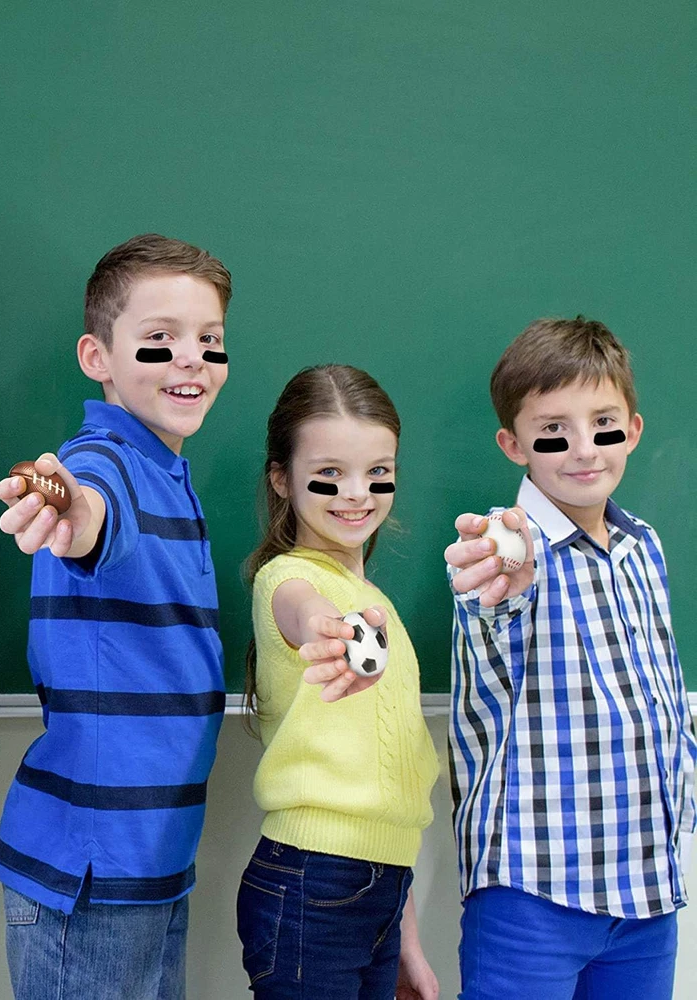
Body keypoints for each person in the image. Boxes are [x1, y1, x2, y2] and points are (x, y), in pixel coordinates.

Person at [0, 234, 231, 1000]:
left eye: (210, 341)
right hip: (93, 875)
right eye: (160, 339)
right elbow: (91, 508)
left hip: (154, 864)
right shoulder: (106, 459)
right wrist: (68, 507)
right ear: (98, 356)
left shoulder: (167, 472)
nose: (191, 358)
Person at [445, 317, 696, 999]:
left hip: (647, 889)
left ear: (632, 430)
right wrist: (503, 577)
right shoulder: (504, 547)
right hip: (535, 889)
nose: (584, 449)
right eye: (554, 430)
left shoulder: (644, 547)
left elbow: (661, 692)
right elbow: (494, 603)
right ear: (514, 444)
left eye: (603, 424)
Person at [236, 364, 440, 999]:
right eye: (330, 473)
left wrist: (404, 936)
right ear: (281, 478)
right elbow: (303, 610)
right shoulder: (287, 579)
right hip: (312, 882)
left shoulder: (376, 601)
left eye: (378, 473)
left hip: (380, 890)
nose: (357, 494)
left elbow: (384, 791)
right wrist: (330, 630)